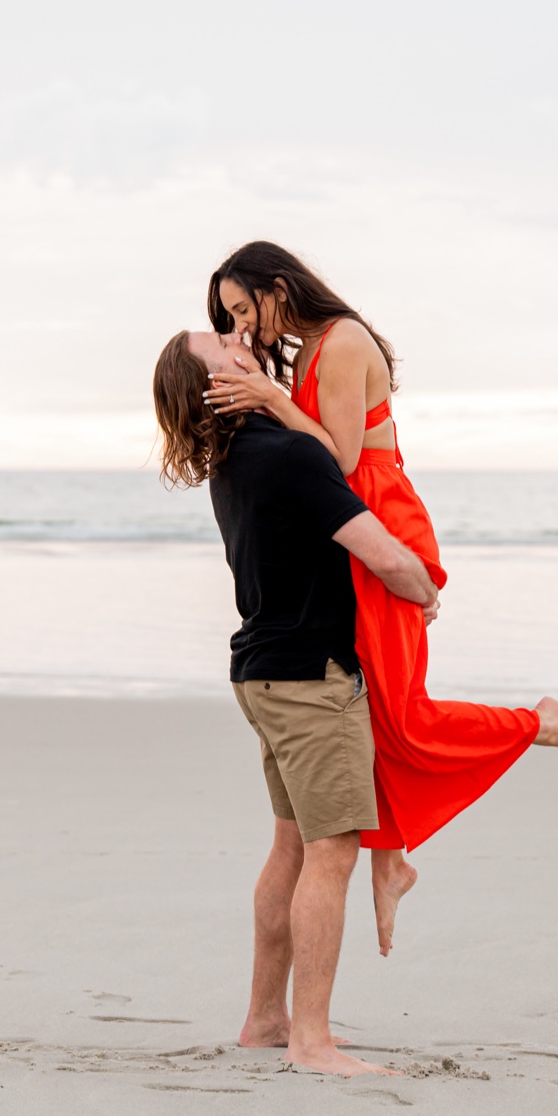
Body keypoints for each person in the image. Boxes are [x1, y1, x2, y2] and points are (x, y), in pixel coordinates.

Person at [203, 241, 558, 956]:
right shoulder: (307, 354)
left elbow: (332, 461)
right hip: (353, 535)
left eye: (244, 308)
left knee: (401, 713)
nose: (243, 329)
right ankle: (391, 857)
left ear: (278, 286)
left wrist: (272, 399)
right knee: (377, 712)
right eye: (229, 320)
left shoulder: (343, 341)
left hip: (379, 525)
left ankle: (534, 723)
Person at [153, 329, 440, 1077]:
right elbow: (381, 552)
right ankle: (311, 1041)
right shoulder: (288, 454)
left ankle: (266, 1020)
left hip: (262, 673)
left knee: (290, 847)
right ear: (221, 383)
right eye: (221, 344)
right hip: (312, 680)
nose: (238, 337)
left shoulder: (236, 462)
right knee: (332, 851)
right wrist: (424, 590)